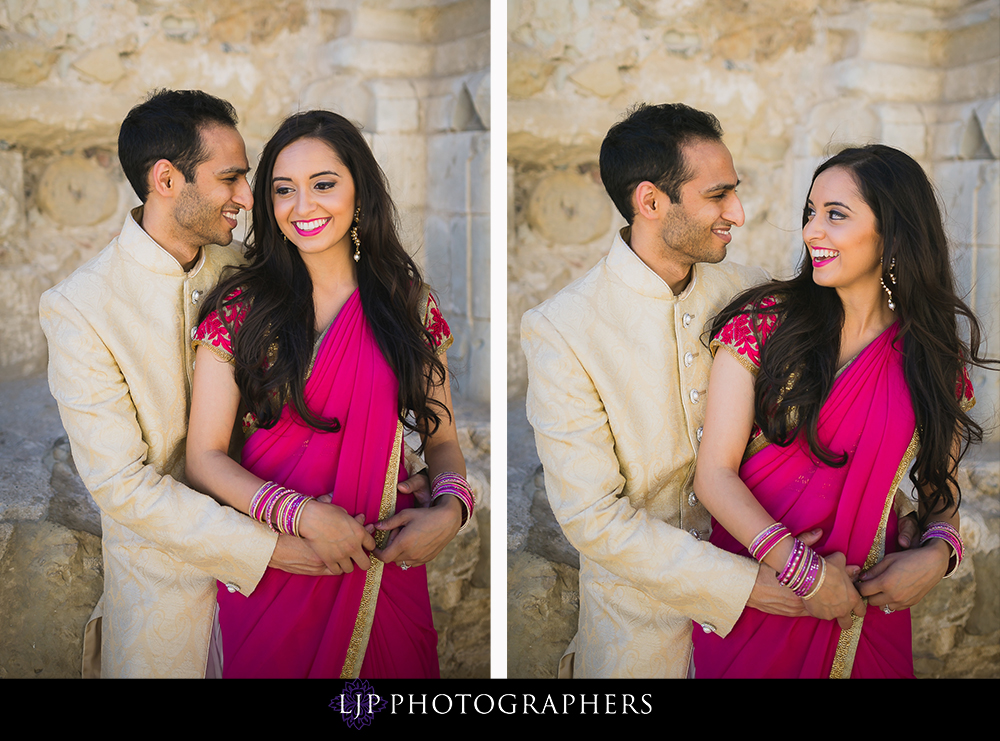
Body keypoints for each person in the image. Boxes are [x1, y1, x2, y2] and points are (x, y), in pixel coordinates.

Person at [521, 103, 926, 679]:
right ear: (652, 202)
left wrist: (918, 529)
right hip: (643, 639)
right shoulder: (563, 328)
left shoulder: (758, 298)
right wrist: (754, 584)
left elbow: (833, 434)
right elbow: (591, 517)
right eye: (718, 196)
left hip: (786, 628)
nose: (737, 212)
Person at [38, 90, 427, 678]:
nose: (249, 198)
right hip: (169, 597)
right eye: (232, 178)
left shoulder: (259, 271)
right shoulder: (82, 308)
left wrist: (412, 475)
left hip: (310, 576)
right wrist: (280, 546)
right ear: (167, 179)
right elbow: (122, 486)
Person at [184, 110, 472, 678]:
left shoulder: (407, 305)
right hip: (280, 566)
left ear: (359, 190)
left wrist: (452, 509)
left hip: (381, 569)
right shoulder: (241, 309)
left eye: (324, 184)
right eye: (283, 190)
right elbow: (204, 458)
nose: (303, 206)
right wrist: (302, 517)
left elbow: (442, 444)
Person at [691, 144, 990, 678]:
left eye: (835, 214)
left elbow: (939, 493)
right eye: (810, 212)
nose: (811, 231)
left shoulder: (932, 359)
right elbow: (714, 475)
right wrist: (805, 575)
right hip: (763, 601)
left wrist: (939, 555)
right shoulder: (765, 325)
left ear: (892, 233)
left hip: (865, 615)